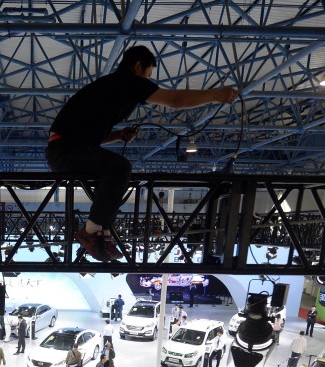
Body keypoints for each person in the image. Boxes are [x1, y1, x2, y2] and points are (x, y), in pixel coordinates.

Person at [45, 44, 238, 262]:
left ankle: (103, 233)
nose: (147, 81)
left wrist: (118, 135)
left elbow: (87, 136)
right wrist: (215, 95)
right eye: (148, 75)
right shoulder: (127, 81)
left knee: (112, 182)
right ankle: (89, 233)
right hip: (65, 151)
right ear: (137, 67)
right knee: (120, 168)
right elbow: (174, 100)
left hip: (67, 149)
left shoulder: (112, 88)